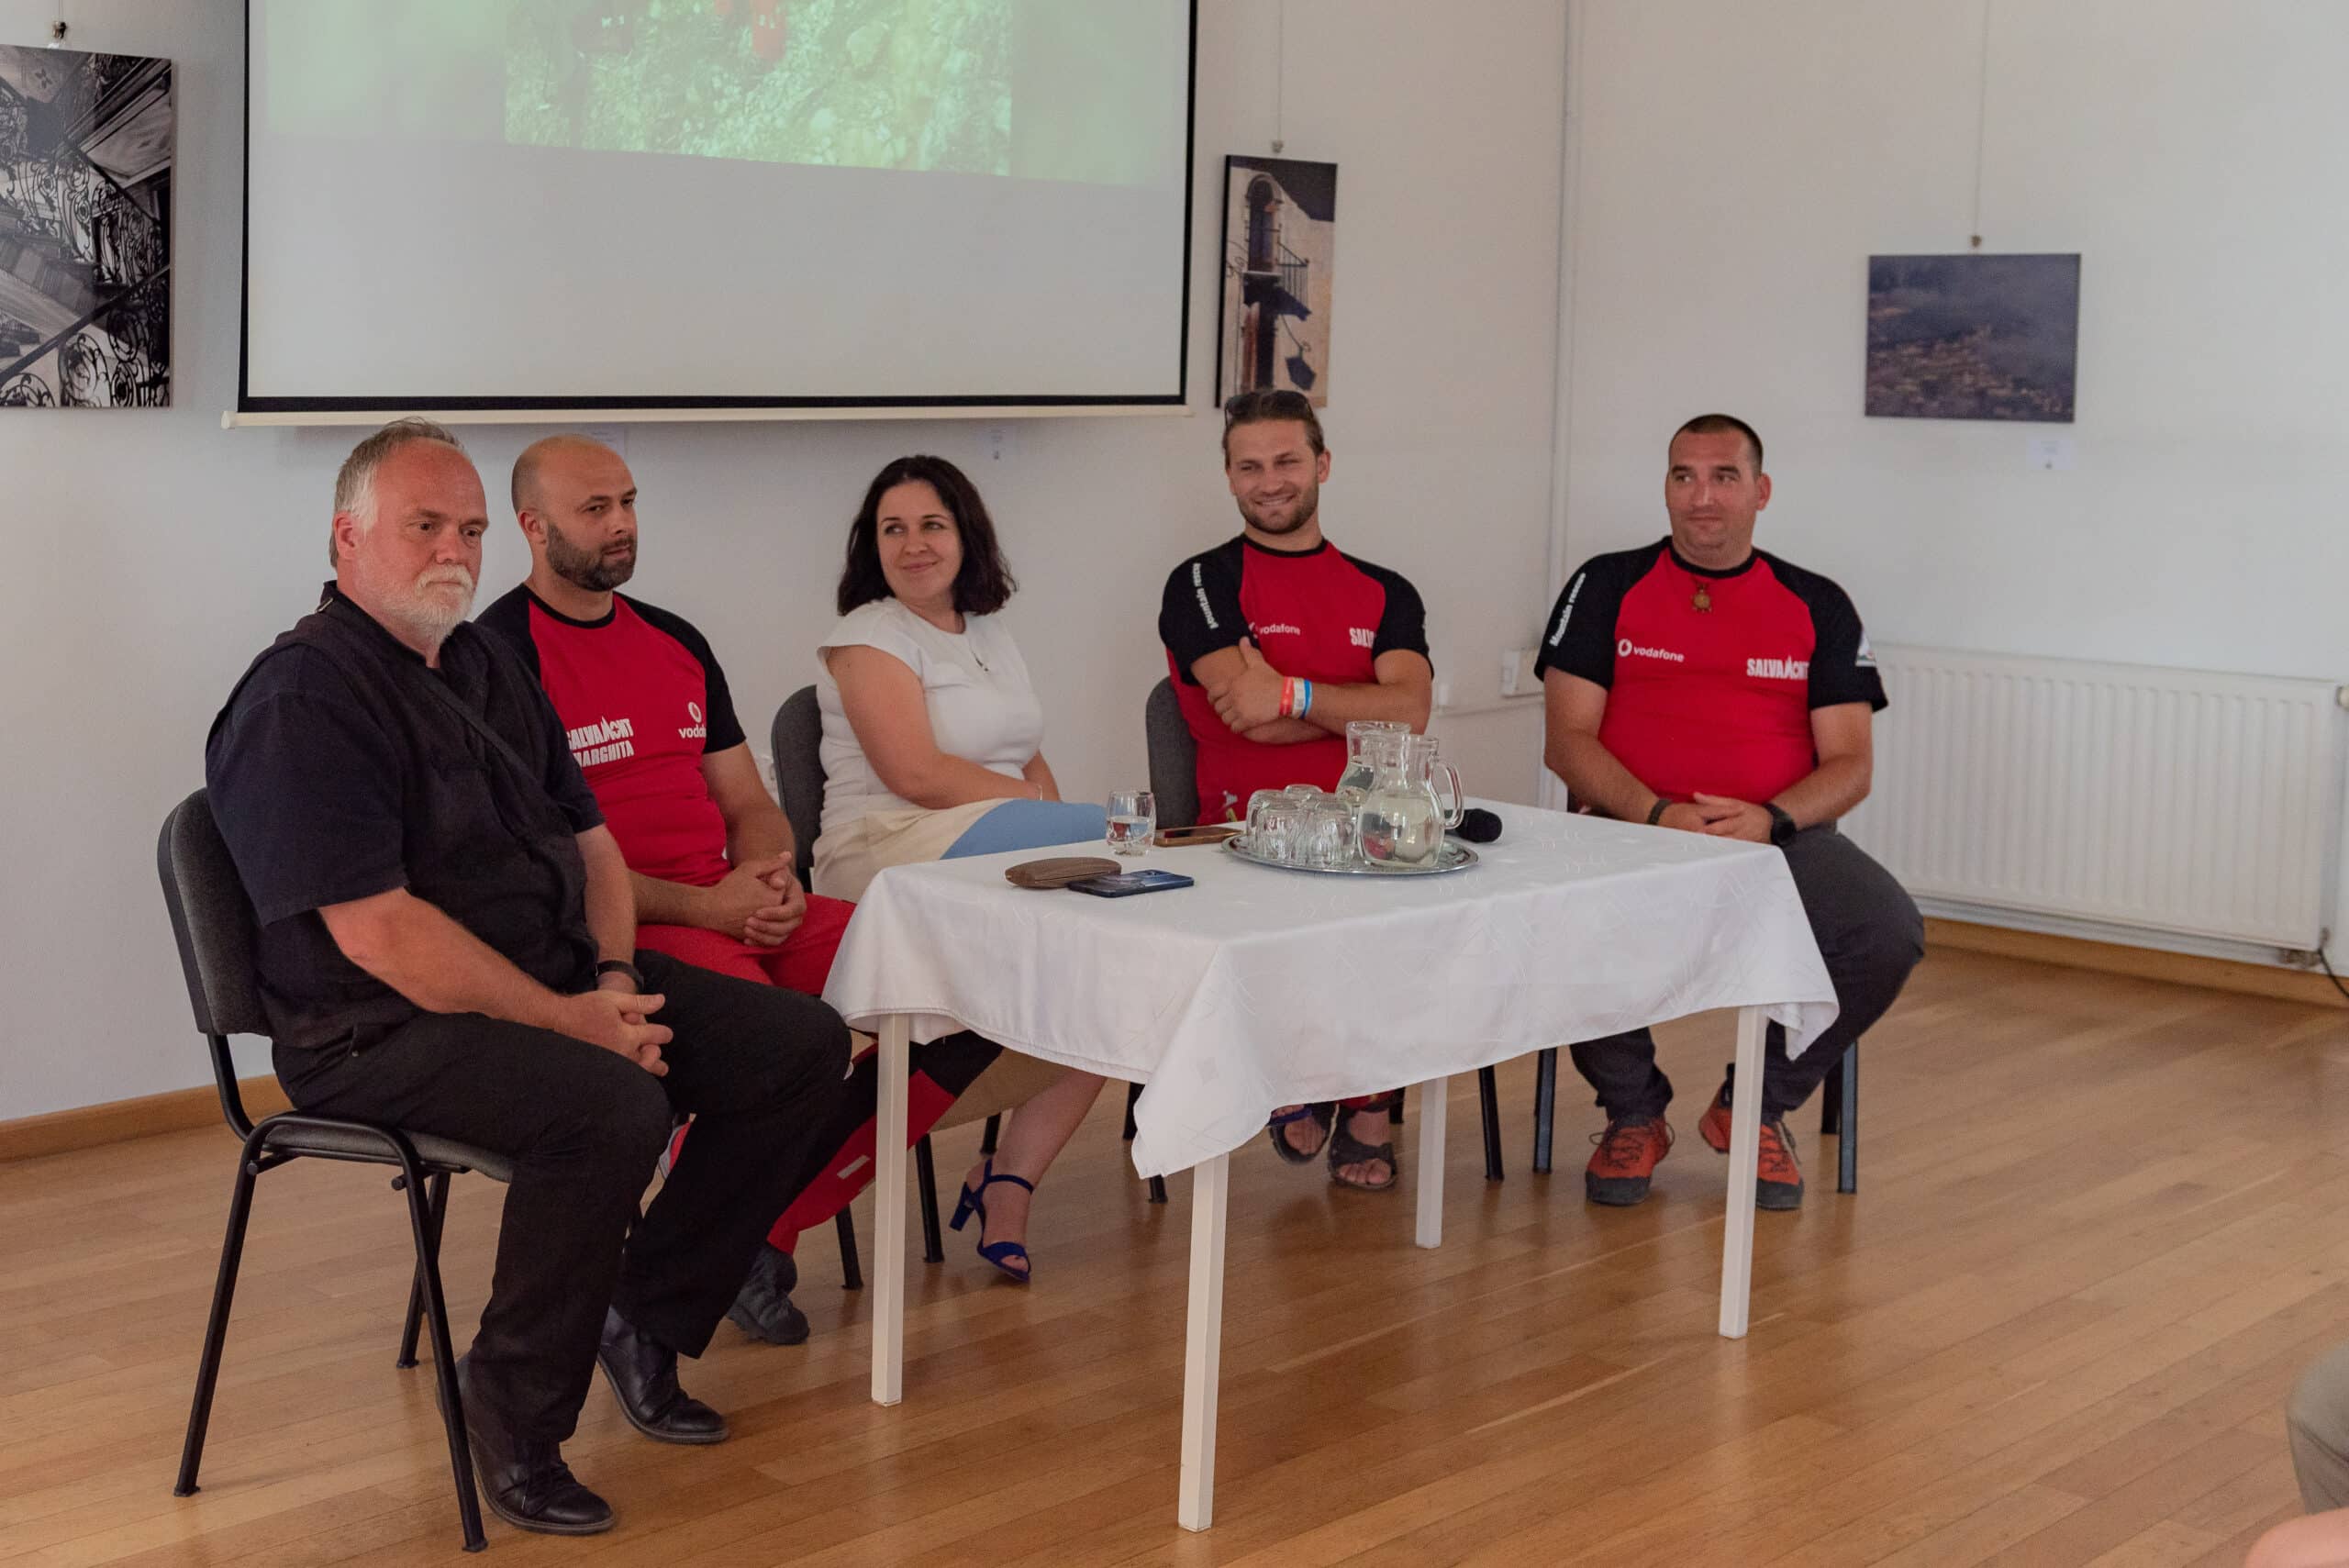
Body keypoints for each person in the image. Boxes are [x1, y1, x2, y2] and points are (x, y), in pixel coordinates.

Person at [204, 419, 852, 1537]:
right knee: (611, 1104)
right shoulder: (302, 699)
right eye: (424, 525)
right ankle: (509, 1407)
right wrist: (574, 1020)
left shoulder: (483, 663)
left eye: (467, 530)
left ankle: (644, 1313)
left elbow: (591, 843)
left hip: (552, 973)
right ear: (347, 537)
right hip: (373, 1028)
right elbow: (380, 933)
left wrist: (612, 976)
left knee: (798, 1045)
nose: (452, 551)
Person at [477, 435, 999, 1343]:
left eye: (628, 502)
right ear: (532, 525)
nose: (621, 524)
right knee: (792, 1043)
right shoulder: (497, 658)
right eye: (595, 509)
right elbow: (540, 867)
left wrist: (769, 873)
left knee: (969, 985)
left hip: (732, 902)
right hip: (624, 927)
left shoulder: (675, 638)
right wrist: (707, 906)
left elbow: (750, 803)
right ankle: (704, 1254)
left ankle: (758, 1229)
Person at [1536, 412, 1923, 1211]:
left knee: (1887, 929)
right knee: (1552, 915)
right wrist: (1656, 814)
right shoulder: (1605, 584)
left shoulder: (1818, 603)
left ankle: (1755, 1103)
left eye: (1724, 477)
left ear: (1761, 490)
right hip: (1633, 830)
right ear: (1666, 487)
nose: (1702, 497)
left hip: (1775, 840)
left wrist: (1770, 820)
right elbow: (1567, 741)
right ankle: (1633, 1111)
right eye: (1684, 476)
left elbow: (1851, 764)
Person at [811, 453, 1108, 1280]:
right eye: (893, 529)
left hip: (985, 841)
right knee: (1117, 836)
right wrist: (1064, 824)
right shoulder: (868, 635)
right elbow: (915, 774)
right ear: (871, 546)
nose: (913, 545)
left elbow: (1027, 755)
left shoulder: (989, 633)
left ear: (966, 534)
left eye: (931, 525)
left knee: (1116, 966)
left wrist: (1060, 828)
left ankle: (1010, 1179)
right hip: (886, 848)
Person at [1155, 388, 1434, 1192]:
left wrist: (1294, 693)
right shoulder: (1202, 581)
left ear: (1323, 464)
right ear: (1229, 477)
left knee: (1413, 911)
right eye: (1249, 467)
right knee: (1307, 915)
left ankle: (1365, 1100)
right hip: (1244, 839)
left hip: (1371, 835)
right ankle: (1306, 1072)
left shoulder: (1385, 590)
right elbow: (1249, 720)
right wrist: (1357, 713)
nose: (1269, 481)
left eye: (1286, 461)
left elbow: (1411, 713)